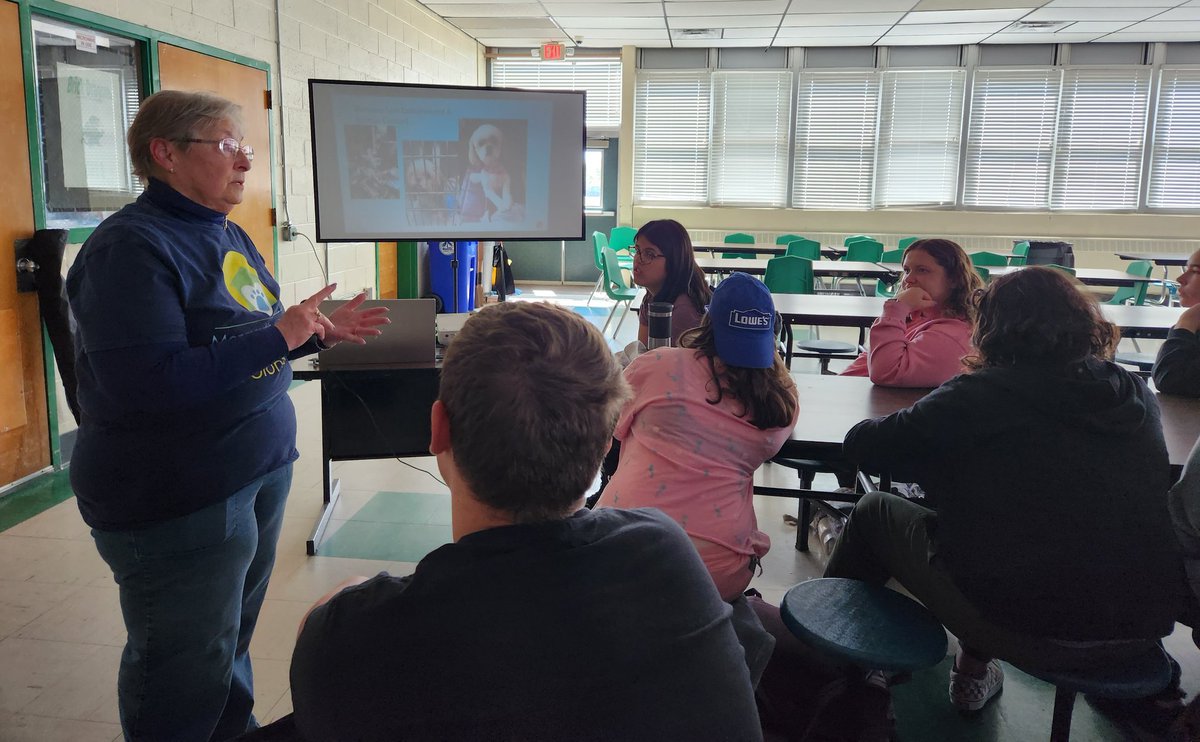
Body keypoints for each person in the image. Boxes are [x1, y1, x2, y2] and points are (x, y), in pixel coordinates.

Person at [65, 90, 389, 741]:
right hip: (178, 492)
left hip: (251, 470)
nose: (246, 161)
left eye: (247, 146)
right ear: (165, 153)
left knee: (224, 638)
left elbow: (239, 334)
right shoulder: (129, 250)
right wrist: (279, 337)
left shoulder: (227, 231)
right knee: (182, 660)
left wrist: (313, 333)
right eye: (227, 145)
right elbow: (146, 384)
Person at [288, 301, 763, 741]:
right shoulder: (665, 551)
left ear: (437, 430)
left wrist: (342, 599)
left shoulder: (348, 640)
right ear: (604, 446)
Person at [826, 267, 1186, 713]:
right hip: (1139, 629)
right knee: (1017, 525)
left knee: (876, 510)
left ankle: (835, 662)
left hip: (1028, 627)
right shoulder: (1132, 391)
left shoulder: (978, 395)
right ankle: (971, 673)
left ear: (989, 328)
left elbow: (863, 446)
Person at [597, 272, 799, 601]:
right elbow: (784, 386)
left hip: (615, 553)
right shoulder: (780, 405)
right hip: (716, 574)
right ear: (770, 337)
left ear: (707, 323)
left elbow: (611, 431)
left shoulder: (654, 365)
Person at [841, 238, 983, 387]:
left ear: (954, 279)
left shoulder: (952, 334)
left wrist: (896, 309)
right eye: (907, 270)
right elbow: (865, 364)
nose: (908, 278)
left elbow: (886, 373)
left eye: (922, 270)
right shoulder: (918, 317)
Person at [630, 219, 712, 347]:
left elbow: (671, 365)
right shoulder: (652, 296)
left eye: (649, 254)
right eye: (637, 250)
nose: (638, 260)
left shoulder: (684, 311)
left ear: (674, 261)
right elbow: (642, 354)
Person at [1153, 248, 1200, 395]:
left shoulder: (1191, 322)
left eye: (1196, 272)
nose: (1180, 279)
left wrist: (1185, 325)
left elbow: (1170, 379)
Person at [458, 122, 522, 223]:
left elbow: (506, 191)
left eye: (494, 141)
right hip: (478, 212)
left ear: (501, 145)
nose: (488, 146)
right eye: (481, 143)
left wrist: (507, 202)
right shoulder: (480, 173)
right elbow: (487, 191)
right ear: (475, 149)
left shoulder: (504, 172)